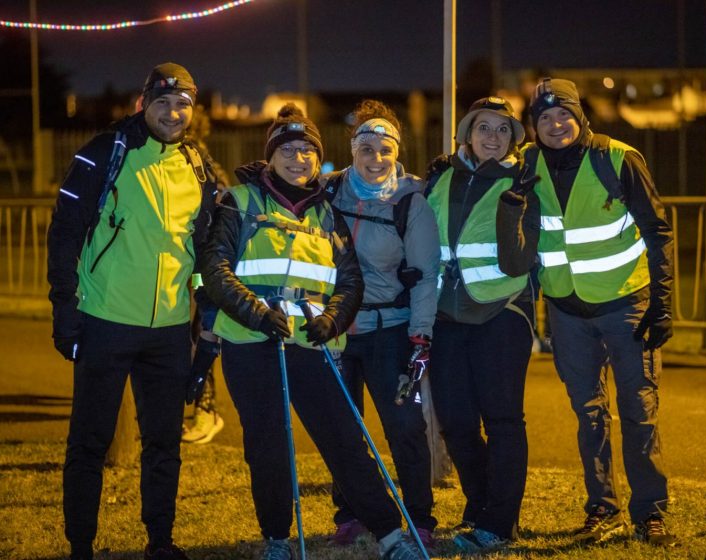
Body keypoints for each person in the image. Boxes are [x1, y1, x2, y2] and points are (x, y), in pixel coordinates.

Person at [202, 103, 426, 560]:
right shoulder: (240, 201)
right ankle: (277, 538)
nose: (299, 158)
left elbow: (349, 281)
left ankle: (390, 535)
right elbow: (216, 268)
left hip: (310, 345)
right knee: (268, 444)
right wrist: (256, 313)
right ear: (270, 155)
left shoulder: (325, 213)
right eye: (288, 148)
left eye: (308, 150)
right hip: (252, 342)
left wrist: (334, 319)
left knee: (344, 438)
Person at [47, 63, 217, 560]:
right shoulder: (105, 152)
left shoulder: (197, 165)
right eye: (162, 102)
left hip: (167, 329)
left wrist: (201, 313)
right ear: (143, 104)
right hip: (105, 321)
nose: (172, 112)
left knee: (164, 444)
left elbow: (202, 251)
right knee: (90, 443)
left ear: (192, 109)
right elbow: (64, 233)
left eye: (182, 103)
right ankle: (81, 545)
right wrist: (64, 305)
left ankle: (159, 543)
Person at [497, 77, 677, 546]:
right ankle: (602, 508)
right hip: (567, 310)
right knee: (588, 413)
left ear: (580, 117)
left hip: (626, 306)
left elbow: (658, 231)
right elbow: (481, 171)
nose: (556, 125)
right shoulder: (528, 163)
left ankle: (650, 512)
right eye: (544, 118)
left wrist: (662, 305)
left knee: (639, 410)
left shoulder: (617, 157)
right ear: (533, 125)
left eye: (564, 116)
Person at [321, 100, 440, 549]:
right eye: (366, 149)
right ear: (352, 150)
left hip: (393, 330)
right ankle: (350, 513)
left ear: (396, 152)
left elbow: (427, 275)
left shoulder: (411, 201)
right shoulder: (328, 193)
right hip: (337, 331)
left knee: (404, 427)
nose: (375, 159)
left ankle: (420, 517)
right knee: (343, 429)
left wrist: (421, 336)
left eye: (384, 150)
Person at [424, 96, 538, 553]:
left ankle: (500, 521)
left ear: (513, 139)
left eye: (503, 129)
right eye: (484, 127)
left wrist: (514, 204)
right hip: (446, 318)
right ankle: (479, 504)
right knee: (455, 422)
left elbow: (517, 261)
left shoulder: (524, 182)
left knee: (504, 420)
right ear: (466, 133)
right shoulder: (438, 177)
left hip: (501, 314)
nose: (493, 137)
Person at [181, 105, 231, 444]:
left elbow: (219, 200)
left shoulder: (195, 158)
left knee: (201, 334)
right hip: (182, 265)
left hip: (198, 265)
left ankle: (206, 409)